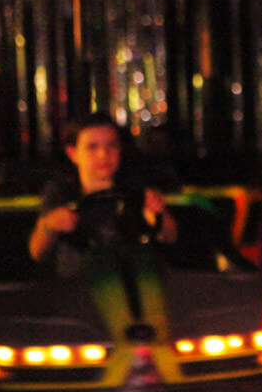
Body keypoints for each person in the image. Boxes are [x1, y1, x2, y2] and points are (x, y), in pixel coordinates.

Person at [28, 114, 178, 274]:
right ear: (73, 153)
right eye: (92, 147)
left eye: (111, 145)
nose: (103, 155)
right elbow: (37, 253)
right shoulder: (61, 192)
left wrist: (159, 215)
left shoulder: (136, 188)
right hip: (79, 287)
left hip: (133, 282)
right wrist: (49, 225)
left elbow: (170, 237)